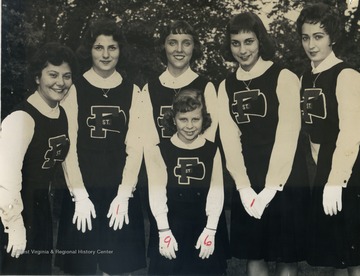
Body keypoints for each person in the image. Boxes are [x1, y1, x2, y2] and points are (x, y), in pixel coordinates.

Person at [218, 12, 310, 276]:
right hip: (249, 176)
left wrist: (272, 188)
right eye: (236, 43)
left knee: (285, 257)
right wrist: (244, 187)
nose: (243, 49)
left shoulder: (283, 76)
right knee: (254, 254)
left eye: (249, 41)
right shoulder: (226, 85)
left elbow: (288, 134)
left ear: (260, 41)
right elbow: (229, 139)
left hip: (285, 177)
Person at [55, 18, 146, 275]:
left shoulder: (134, 92)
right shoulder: (73, 89)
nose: (106, 54)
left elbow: (135, 147)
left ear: (120, 50)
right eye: (99, 47)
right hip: (83, 189)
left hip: (118, 192)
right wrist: (79, 194)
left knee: (116, 269)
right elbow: (68, 147)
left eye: (112, 47)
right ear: (89, 50)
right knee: (80, 269)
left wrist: (125, 193)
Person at [141, 19, 229, 273]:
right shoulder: (150, 88)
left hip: (202, 193)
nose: (179, 49)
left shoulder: (206, 86)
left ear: (194, 48)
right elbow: (148, 144)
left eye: (186, 43)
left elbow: (208, 143)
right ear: (164, 47)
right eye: (172, 42)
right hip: (167, 189)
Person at [0, 42, 77, 274]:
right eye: (52, 74)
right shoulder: (21, 118)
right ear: (37, 77)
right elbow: (6, 177)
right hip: (13, 210)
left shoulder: (60, 114)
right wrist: (14, 223)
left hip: (40, 210)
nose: (60, 82)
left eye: (67, 76)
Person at [296, 3, 360, 275]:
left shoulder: (346, 75)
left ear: (332, 37)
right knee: (337, 253)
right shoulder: (305, 77)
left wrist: (336, 180)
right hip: (325, 167)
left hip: (351, 168)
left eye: (318, 36)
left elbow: (351, 134)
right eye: (305, 37)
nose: (311, 44)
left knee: (355, 252)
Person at [147, 88, 228, 275]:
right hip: (172, 223)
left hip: (204, 223)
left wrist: (211, 229)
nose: (189, 126)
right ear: (173, 119)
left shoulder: (212, 150)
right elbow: (157, 193)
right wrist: (163, 230)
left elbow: (216, 190)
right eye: (183, 119)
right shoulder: (161, 150)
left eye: (195, 119)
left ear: (204, 119)